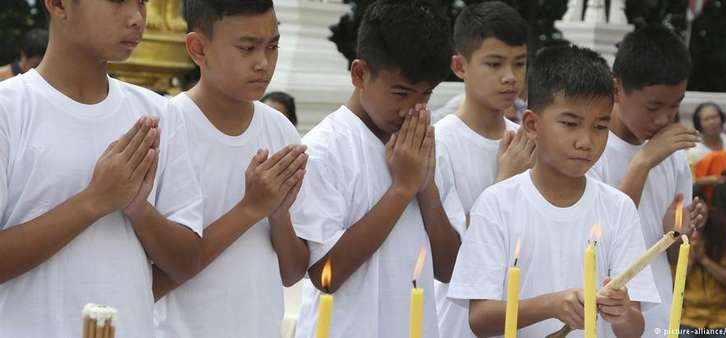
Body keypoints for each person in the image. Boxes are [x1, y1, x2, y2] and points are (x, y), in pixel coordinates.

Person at [0, 1, 203, 337]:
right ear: (59, 4)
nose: (137, 18)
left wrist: (139, 209)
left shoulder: (158, 114)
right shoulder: (9, 109)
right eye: (118, 1)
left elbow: (186, 262)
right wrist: (94, 200)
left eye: (141, 3)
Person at [448, 45, 659, 337]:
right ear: (532, 125)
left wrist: (621, 313)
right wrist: (551, 305)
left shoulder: (618, 208)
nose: (586, 141)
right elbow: (481, 318)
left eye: (600, 126)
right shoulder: (497, 203)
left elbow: (634, 327)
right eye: (570, 124)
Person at [289, 1, 465, 337]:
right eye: (400, 92)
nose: (412, 108)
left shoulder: (424, 145)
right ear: (359, 74)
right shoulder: (324, 149)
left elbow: (449, 268)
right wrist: (401, 190)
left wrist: (425, 187)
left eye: (425, 94)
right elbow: (326, 273)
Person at [152, 2, 309, 338]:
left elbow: (293, 272)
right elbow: (150, 281)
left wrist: (279, 215)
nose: (263, 63)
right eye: (247, 48)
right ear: (198, 49)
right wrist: (251, 209)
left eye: (273, 46)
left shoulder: (280, 132)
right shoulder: (165, 130)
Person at [588, 25, 707, 334]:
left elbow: (676, 255)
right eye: (653, 106)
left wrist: (678, 233)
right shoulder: (588, 148)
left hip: (657, 315)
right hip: (601, 317)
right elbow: (600, 241)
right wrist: (643, 161)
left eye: (676, 105)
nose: (665, 119)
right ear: (617, 90)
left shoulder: (675, 157)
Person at [433, 3, 533, 338]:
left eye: (519, 64)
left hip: (523, 313)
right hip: (455, 322)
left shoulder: (527, 141)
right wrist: (503, 182)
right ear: (460, 66)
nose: (510, 77)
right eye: (494, 63)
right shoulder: (439, 143)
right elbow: (455, 259)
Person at [678, 208, 726, 338]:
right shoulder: (678, 238)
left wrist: (705, 260)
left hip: (723, 319)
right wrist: (692, 261)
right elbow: (671, 286)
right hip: (689, 318)